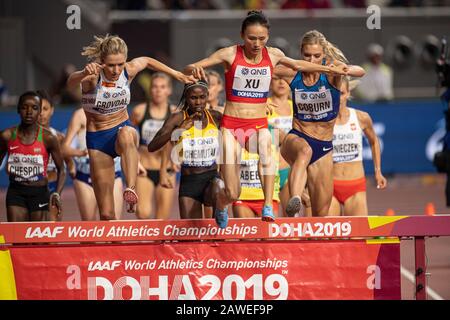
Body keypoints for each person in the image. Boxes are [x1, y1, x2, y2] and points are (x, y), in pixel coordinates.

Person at [185, 11, 347, 226]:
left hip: (257, 125)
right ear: (243, 35)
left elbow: (299, 65)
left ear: (267, 37)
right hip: (232, 127)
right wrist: (194, 68)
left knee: (266, 145)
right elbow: (189, 68)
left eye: (261, 39)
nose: (256, 43)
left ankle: (268, 204)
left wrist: (329, 69)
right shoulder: (230, 54)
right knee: (233, 192)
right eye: (252, 38)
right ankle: (223, 204)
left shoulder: (274, 55)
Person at [66, 34, 195, 219]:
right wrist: (83, 73)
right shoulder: (92, 78)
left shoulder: (128, 70)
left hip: (121, 129)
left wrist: (176, 74)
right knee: (107, 213)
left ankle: (131, 190)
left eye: (120, 64)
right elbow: (70, 83)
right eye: (111, 65)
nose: (116, 70)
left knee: (127, 133)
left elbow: (148, 61)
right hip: (98, 140)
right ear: (102, 62)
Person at [276, 29, 365, 217]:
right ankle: (296, 198)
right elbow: (266, 70)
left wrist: (342, 70)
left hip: (323, 146)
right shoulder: (294, 74)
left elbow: (360, 71)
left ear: (324, 54)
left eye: (317, 56)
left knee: (321, 213)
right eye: (307, 55)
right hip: (297, 136)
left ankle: (315, 238)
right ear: (301, 53)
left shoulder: (332, 72)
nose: (311, 61)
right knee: (304, 151)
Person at [148, 81, 225, 221]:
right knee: (191, 235)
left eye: (202, 97)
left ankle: (220, 213)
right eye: (193, 98)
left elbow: (239, 120)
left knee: (219, 186)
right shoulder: (177, 118)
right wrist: (179, 130)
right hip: (189, 181)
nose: (198, 102)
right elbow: (152, 146)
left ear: (207, 96)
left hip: (211, 179)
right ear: (186, 97)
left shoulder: (215, 117)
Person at [0, 91, 65, 221]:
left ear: (39, 110)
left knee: (38, 240)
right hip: (16, 193)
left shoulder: (49, 138)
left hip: (40, 193)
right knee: (17, 238)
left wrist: (57, 193)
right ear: (18, 109)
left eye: (34, 108)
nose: (29, 112)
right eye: (25, 107)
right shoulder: (7, 136)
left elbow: (62, 170)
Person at [329, 78, 387, 216]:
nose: (339, 98)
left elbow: (374, 141)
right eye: (334, 93)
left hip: (355, 186)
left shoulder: (361, 117)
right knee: (329, 236)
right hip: (330, 187)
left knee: (358, 234)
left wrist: (378, 171)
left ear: (348, 93)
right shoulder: (324, 120)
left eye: (342, 93)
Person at [62, 108, 124, 220]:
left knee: (113, 224)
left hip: (112, 175)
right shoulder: (80, 114)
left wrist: (136, 162)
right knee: (90, 226)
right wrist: (82, 153)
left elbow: (128, 141)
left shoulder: (116, 109)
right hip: (85, 177)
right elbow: (64, 148)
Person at [130, 72, 176, 219]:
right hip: (145, 169)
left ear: (169, 90)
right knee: (143, 213)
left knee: (162, 218)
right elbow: (129, 137)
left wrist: (177, 158)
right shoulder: (139, 111)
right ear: (150, 90)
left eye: (162, 87)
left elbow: (182, 139)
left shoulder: (176, 113)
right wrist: (134, 161)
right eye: (155, 87)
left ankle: (161, 242)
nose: (158, 90)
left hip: (167, 169)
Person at [37, 90, 74, 221]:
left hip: (52, 187)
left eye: (45, 109)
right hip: (30, 187)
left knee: (52, 228)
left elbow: (69, 160)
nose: (41, 113)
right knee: (29, 229)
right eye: (38, 109)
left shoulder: (59, 137)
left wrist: (72, 168)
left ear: (52, 110)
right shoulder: (26, 137)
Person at [267, 75, 293, 215]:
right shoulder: (264, 104)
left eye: (285, 79)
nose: (282, 81)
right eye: (276, 78)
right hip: (269, 170)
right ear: (270, 83)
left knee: (291, 217)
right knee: (270, 220)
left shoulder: (296, 106)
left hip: (290, 170)